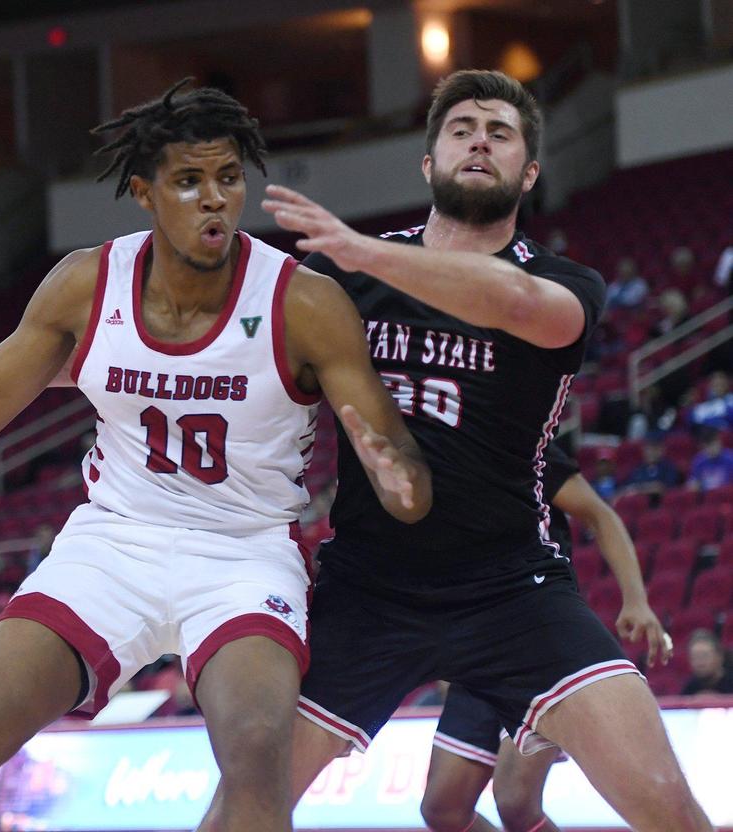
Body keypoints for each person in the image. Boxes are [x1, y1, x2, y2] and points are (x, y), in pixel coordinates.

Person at [0, 79, 431, 832]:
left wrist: (399, 479)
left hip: (244, 553)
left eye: (228, 178)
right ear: (144, 192)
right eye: (188, 181)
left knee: (256, 754)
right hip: (115, 540)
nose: (214, 199)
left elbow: (405, 473)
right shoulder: (86, 284)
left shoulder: (304, 303)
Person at [200, 69, 711, 831]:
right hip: (366, 589)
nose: (479, 142)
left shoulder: (563, 281)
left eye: (500, 134)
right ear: (428, 162)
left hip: (513, 588)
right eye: (462, 130)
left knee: (670, 807)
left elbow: (511, 300)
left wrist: (361, 254)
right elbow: (227, 358)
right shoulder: (343, 272)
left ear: (528, 173)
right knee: (235, 814)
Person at [421, 443, 669, 832]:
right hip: (477, 646)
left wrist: (636, 599)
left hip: (539, 639)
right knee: (442, 809)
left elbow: (599, 515)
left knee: (516, 802)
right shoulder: (433, 462)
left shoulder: (520, 443)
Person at [680, 630, 733, 695]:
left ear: (720, 656)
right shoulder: (689, 689)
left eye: (704, 655)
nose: (700, 662)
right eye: (695, 657)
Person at [687, 427, 733, 492]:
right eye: (709, 446)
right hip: (707, 496)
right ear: (703, 447)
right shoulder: (698, 461)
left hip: (727, 495)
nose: (713, 448)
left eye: (715, 444)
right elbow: (692, 484)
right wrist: (694, 485)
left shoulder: (730, 458)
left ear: (720, 442)